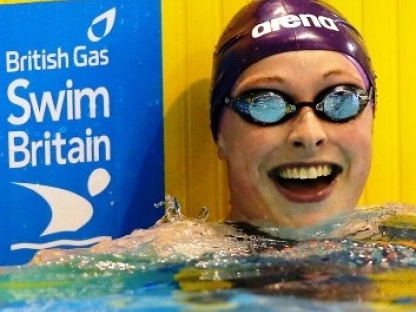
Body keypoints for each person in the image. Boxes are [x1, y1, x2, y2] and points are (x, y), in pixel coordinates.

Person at [210, 0, 376, 228]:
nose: (308, 134)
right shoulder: (174, 259)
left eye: (340, 100)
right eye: (267, 103)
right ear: (220, 135)